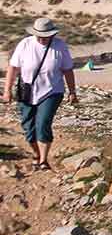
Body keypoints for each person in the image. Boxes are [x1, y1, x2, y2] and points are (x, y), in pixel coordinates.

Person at [1, 17, 78, 170]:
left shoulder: (60, 46)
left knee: (43, 123)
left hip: (52, 91)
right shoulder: (25, 44)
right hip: (27, 92)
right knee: (28, 127)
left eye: (46, 36)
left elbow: (67, 70)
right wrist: (7, 91)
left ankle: (43, 159)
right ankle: (36, 154)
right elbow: (13, 68)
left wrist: (72, 91)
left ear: (52, 35)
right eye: (39, 36)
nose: (42, 39)